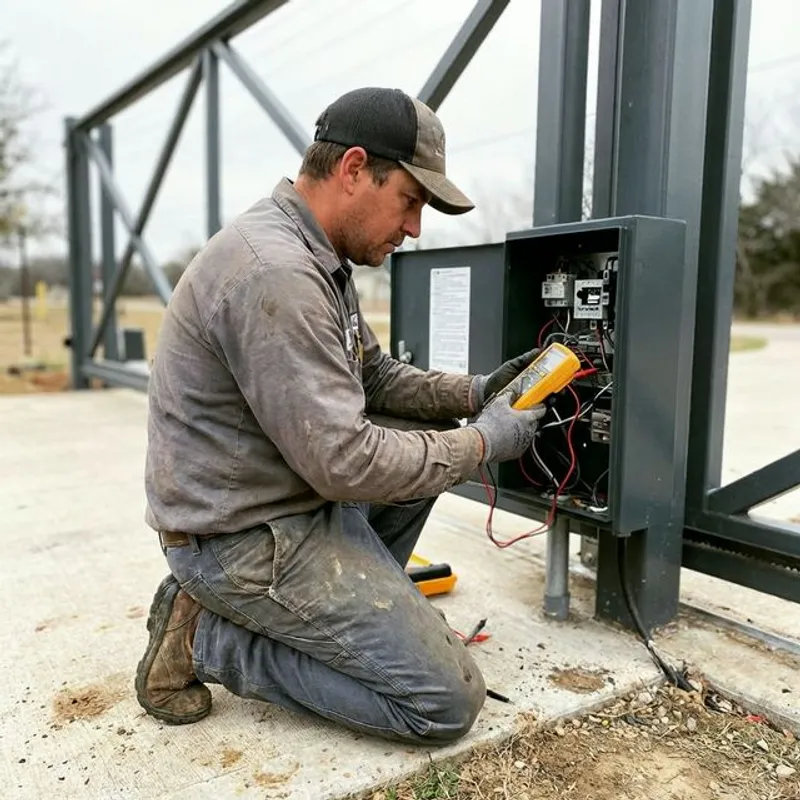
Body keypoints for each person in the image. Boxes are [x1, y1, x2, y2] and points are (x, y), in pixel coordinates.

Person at [135, 86, 545, 745]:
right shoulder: (278, 274)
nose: (414, 228)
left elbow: (373, 376)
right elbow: (344, 462)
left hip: (281, 504)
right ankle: (210, 638)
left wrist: (473, 394)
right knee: (443, 702)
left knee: (421, 443)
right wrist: (482, 443)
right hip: (240, 539)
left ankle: (340, 622)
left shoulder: (319, 255)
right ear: (354, 169)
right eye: (410, 201)